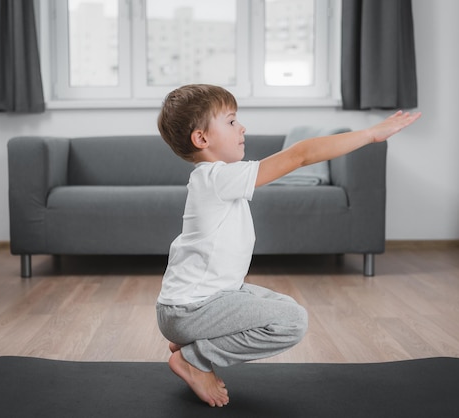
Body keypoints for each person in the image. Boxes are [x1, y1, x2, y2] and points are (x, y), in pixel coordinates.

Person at [155, 84, 421, 407]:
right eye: (230, 121)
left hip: (194, 305)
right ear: (201, 139)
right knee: (292, 322)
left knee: (278, 304)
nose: (242, 128)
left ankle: (189, 339)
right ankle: (193, 358)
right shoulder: (216, 178)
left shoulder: (214, 178)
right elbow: (300, 155)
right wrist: (370, 134)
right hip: (189, 310)